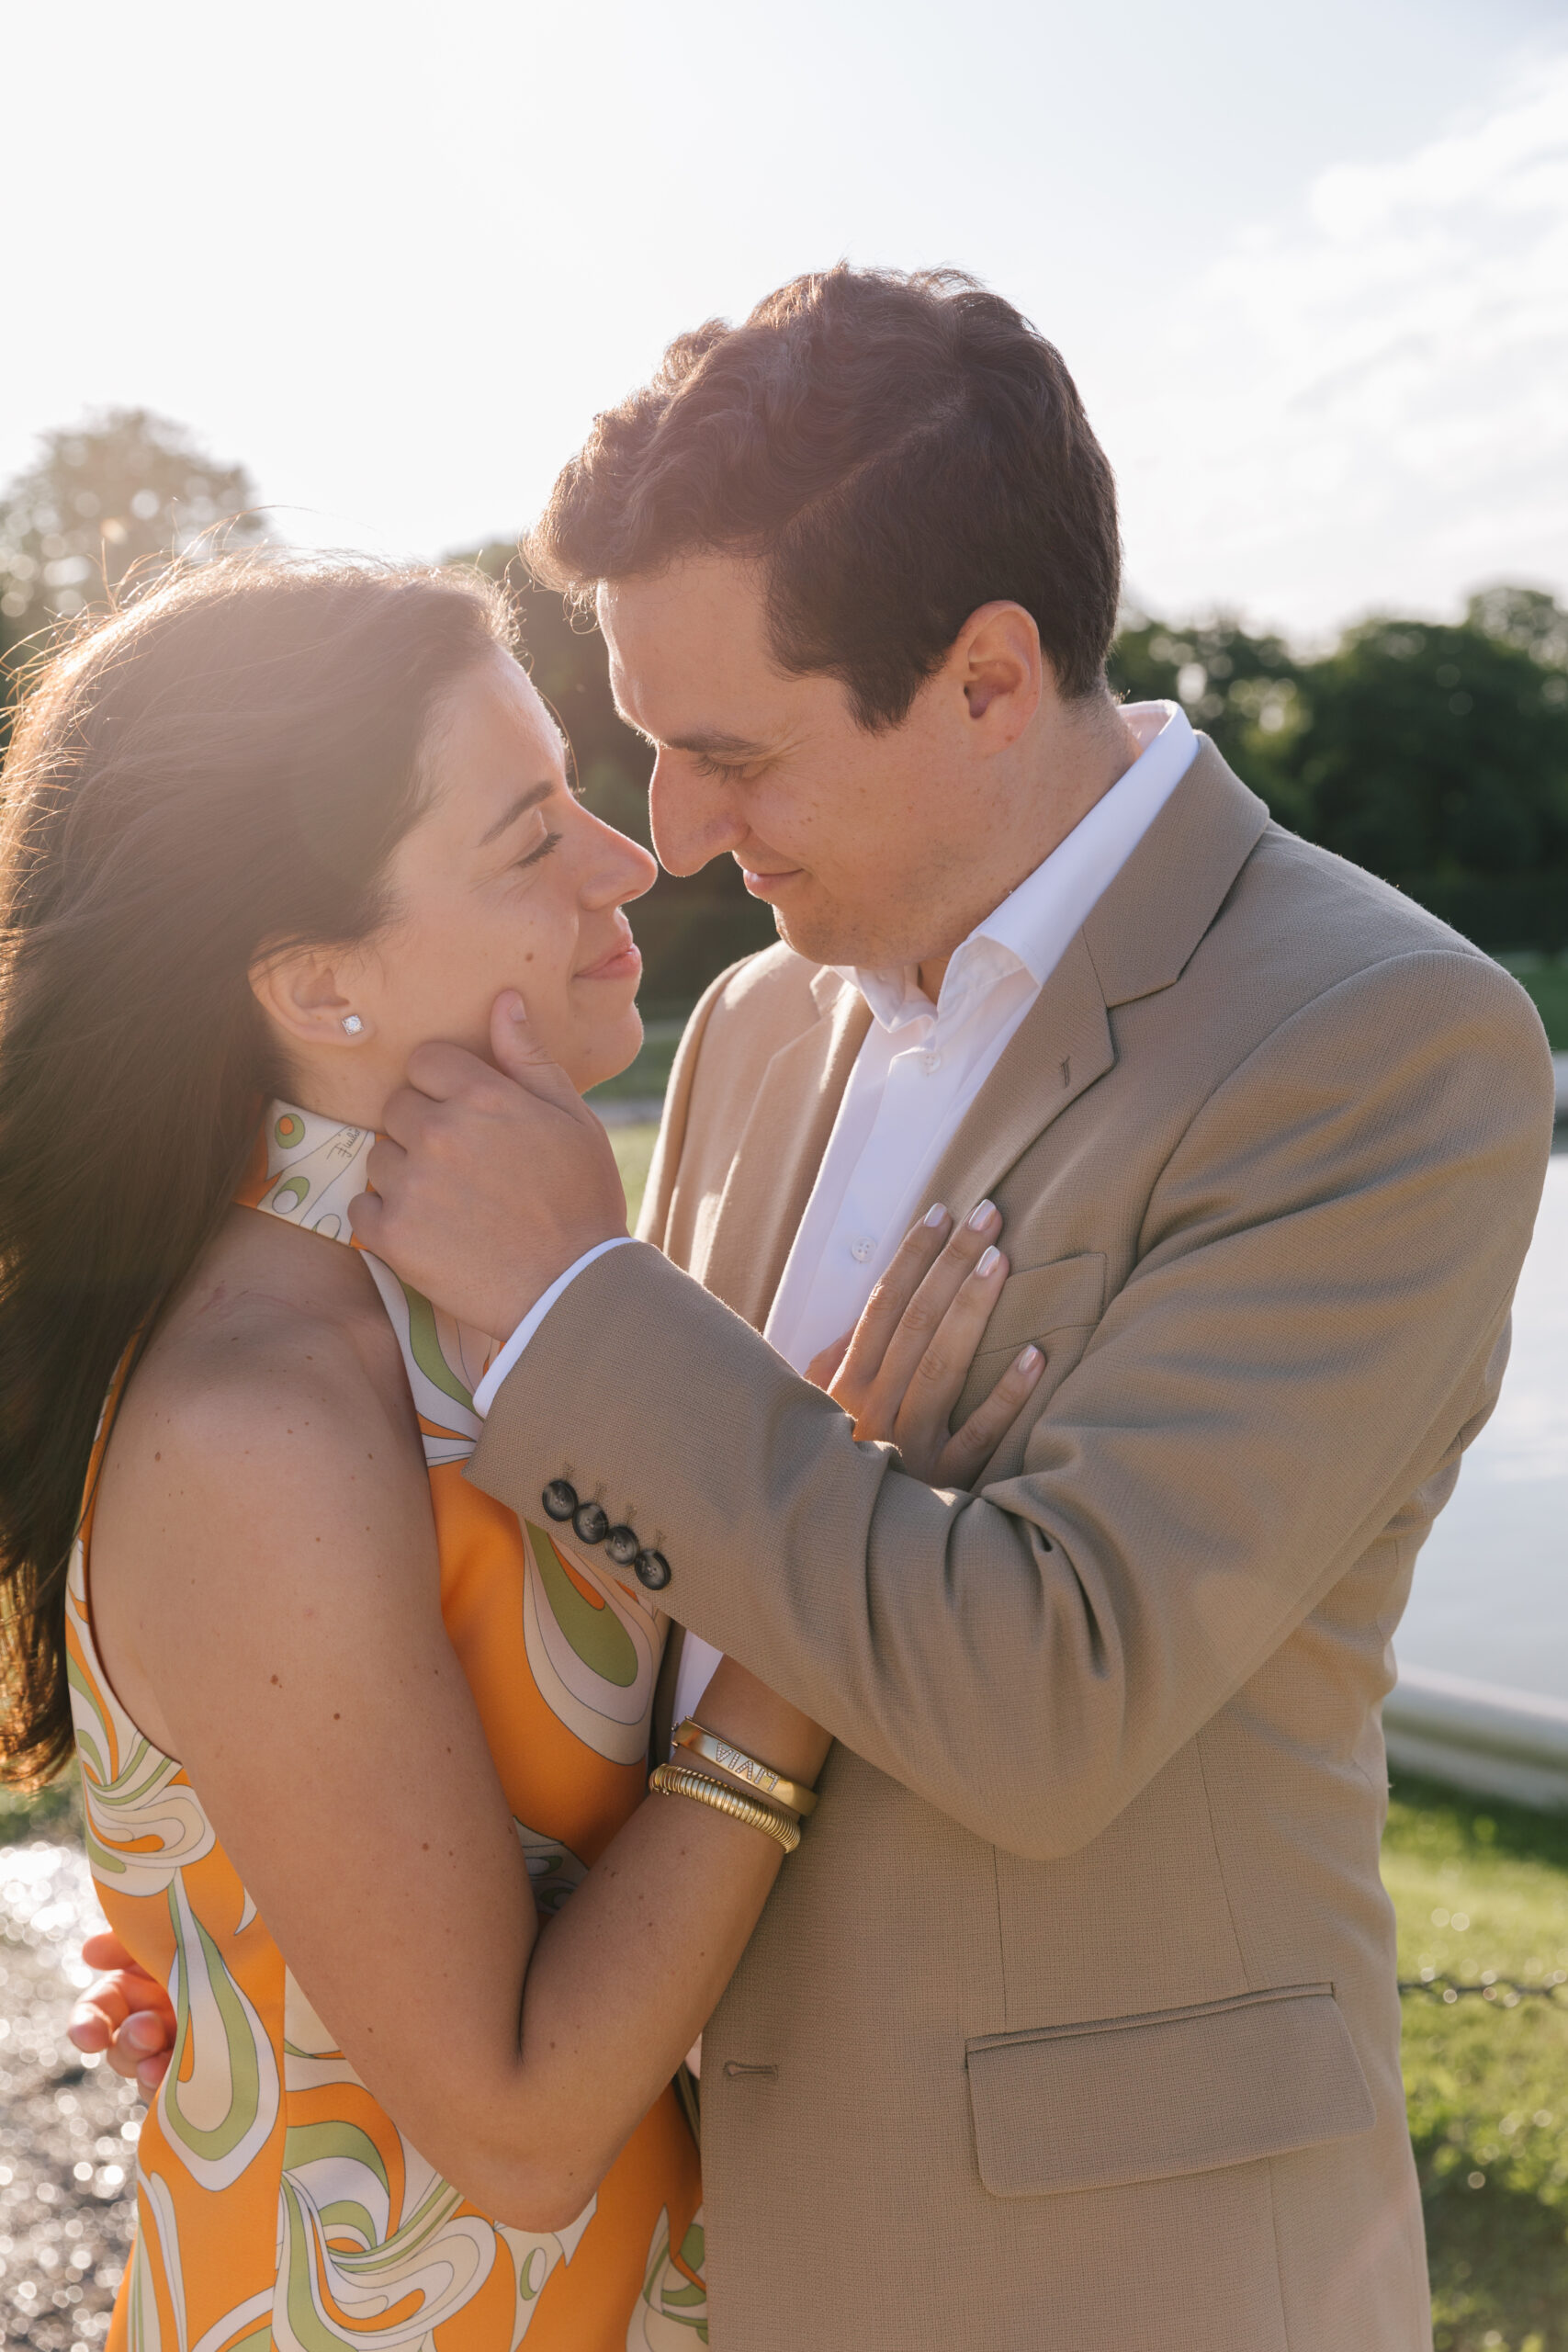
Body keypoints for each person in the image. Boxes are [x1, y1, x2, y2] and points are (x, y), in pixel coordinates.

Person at [293, 269, 1553, 2349]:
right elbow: (676, 1604)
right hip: (708, 2244)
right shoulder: (753, 1031)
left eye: (726, 754)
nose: (670, 835)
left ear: (986, 677)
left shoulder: (1382, 1038)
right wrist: (289, 1946)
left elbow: (1041, 1691)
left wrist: (574, 1294)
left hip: (1112, 2281)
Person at [5, 548, 1026, 2350]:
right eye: (522, 833)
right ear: (317, 981)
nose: (626, 861)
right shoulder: (262, 1413)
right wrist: (831, 1555)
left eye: (574, 792)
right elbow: (519, 2125)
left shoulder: (464, 1300)